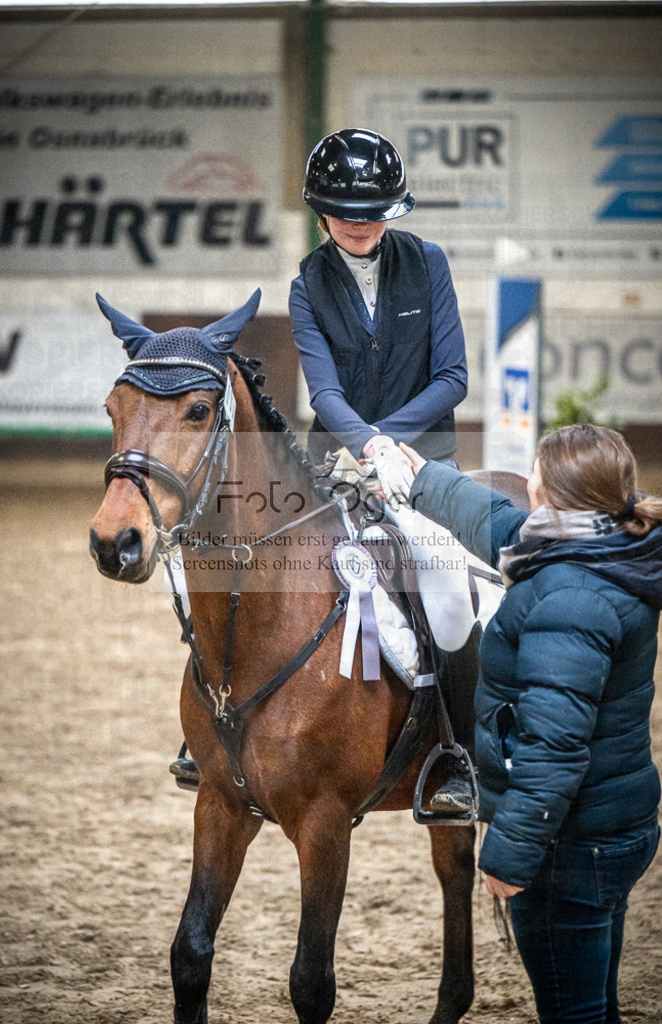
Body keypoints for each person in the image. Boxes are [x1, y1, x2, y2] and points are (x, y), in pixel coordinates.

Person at [399, 423, 661, 1024]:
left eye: (537, 469)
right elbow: (493, 520)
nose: (529, 477)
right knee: (596, 1006)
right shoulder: (597, 541)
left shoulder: (568, 594)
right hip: (611, 824)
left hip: (567, 846)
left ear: (547, 490)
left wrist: (510, 856)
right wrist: (420, 478)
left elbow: (554, 746)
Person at [289, 127, 480, 814]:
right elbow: (324, 396)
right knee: (250, 563)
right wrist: (363, 445)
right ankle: (213, 732)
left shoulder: (427, 262)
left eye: (373, 213)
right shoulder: (307, 283)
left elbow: (453, 376)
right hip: (333, 460)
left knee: (447, 585)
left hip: (422, 460)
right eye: (346, 213)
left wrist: (387, 443)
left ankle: (459, 756)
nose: (360, 225)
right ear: (319, 214)